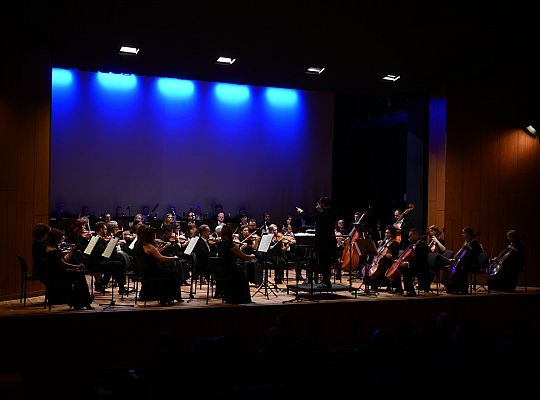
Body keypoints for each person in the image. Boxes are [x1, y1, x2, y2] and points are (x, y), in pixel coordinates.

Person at [43, 228, 93, 310]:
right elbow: (64, 264)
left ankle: (79, 302)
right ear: (56, 239)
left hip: (56, 273)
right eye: (60, 238)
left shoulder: (50, 248)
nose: (61, 240)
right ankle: (83, 302)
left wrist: (70, 252)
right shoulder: (52, 251)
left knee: (78, 274)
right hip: (57, 276)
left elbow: (63, 260)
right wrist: (77, 266)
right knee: (79, 275)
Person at [134, 227, 183, 305]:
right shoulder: (149, 246)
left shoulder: (139, 245)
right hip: (152, 272)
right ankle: (169, 298)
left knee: (171, 272)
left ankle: (170, 297)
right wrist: (174, 258)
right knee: (174, 273)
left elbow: (155, 253)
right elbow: (161, 259)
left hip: (144, 271)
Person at [296, 196, 337, 288]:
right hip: (330, 242)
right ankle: (326, 282)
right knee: (327, 263)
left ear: (322, 204)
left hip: (323, 243)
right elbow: (326, 219)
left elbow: (309, 218)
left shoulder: (323, 214)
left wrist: (301, 212)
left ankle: (326, 282)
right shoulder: (332, 213)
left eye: (320, 203)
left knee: (324, 263)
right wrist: (321, 211)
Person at [444, 226, 483, 294]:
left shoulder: (475, 243)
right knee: (451, 268)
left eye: (464, 233)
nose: (462, 235)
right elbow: (462, 254)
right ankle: (452, 287)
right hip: (465, 263)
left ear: (468, 234)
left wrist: (468, 247)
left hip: (472, 264)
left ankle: (462, 289)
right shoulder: (468, 242)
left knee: (460, 269)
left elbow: (475, 255)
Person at [396, 228, 430, 296]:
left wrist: (407, 264)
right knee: (398, 267)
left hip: (421, 267)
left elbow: (420, 260)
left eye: (410, 236)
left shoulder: (422, 246)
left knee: (406, 269)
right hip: (414, 265)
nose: (409, 237)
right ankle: (399, 289)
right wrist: (399, 260)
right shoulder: (411, 245)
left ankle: (411, 291)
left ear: (416, 236)